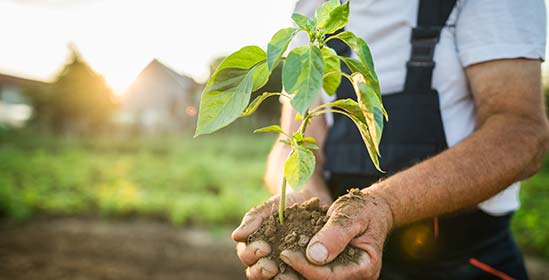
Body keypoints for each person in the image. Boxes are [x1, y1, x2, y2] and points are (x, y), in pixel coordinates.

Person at [232, 0, 548, 279]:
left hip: (460, 260)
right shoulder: (313, 7)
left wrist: (384, 205)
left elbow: (521, 130)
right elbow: (291, 142)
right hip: (339, 252)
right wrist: (308, 208)